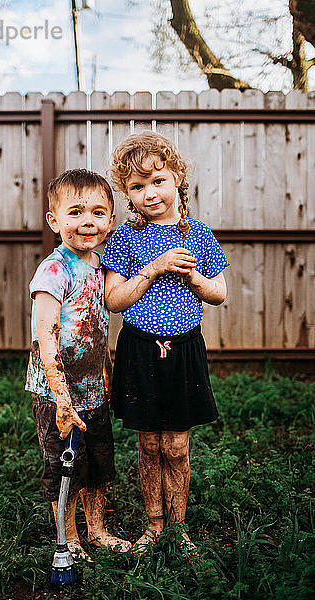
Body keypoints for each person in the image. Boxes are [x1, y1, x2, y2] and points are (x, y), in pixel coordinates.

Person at [102, 131, 229, 555]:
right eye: (137, 187)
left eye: (157, 180)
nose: (149, 193)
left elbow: (220, 292)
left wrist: (194, 278)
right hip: (139, 349)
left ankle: (180, 528)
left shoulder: (197, 232)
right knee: (149, 442)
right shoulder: (124, 238)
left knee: (176, 444)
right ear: (126, 194)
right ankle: (154, 525)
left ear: (177, 178)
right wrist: (153, 269)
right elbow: (114, 300)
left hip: (185, 350)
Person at [25, 169, 131, 560]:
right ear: (54, 221)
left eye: (98, 213)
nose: (88, 221)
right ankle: (69, 537)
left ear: (110, 221)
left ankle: (97, 530)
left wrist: (105, 378)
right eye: (75, 212)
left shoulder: (100, 268)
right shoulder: (54, 271)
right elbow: (46, 337)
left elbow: (98, 329)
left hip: (94, 391)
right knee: (65, 469)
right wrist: (62, 399)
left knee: (99, 465)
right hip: (58, 396)